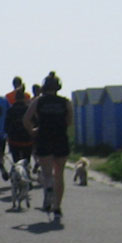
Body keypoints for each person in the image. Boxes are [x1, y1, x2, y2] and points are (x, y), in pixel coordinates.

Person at [25, 70, 73, 221]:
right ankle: (57, 207)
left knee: (47, 173)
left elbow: (26, 119)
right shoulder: (65, 102)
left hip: (44, 137)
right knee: (59, 174)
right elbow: (69, 122)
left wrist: (33, 131)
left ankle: (48, 190)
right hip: (60, 139)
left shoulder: (38, 101)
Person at [4, 87, 33, 170]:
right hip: (27, 139)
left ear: (15, 98)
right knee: (27, 159)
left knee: (16, 161)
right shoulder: (28, 109)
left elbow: (6, 126)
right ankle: (27, 174)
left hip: (14, 139)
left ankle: (18, 176)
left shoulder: (10, 110)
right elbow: (34, 122)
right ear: (24, 98)